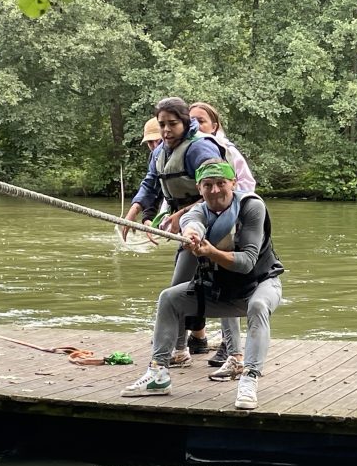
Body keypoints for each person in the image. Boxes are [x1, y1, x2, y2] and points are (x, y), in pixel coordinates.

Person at [120, 161, 284, 409]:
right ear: (199, 188)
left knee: (259, 306)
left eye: (221, 184)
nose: (215, 190)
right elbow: (192, 223)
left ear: (233, 183)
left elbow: (247, 262)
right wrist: (192, 236)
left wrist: (211, 251)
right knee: (169, 298)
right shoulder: (198, 211)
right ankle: (158, 374)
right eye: (208, 185)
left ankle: (250, 378)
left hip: (259, 286)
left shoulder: (252, 207)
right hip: (221, 291)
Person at [120, 97, 228, 361]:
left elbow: (219, 188)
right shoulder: (160, 152)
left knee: (196, 286)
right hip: (187, 225)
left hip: (213, 222)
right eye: (162, 125)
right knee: (182, 287)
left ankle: (212, 350)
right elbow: (150, 184)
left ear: (185, 123)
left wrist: (182, 213)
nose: (166, 131)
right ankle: (181, 349)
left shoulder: (199, 149)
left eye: (172, 124)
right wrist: (134, 210)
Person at [189, 102, 257, 370]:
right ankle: (192, 339)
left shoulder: (227, 152)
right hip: (201, 223)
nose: (196, 126)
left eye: (201, 121)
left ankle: (231, 348)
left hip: (233, 225)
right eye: (191, 121)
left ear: (214, 126)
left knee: (228, 280)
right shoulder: (189, 152)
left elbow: (247, 186)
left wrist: (234, 215)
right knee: (198, 283)